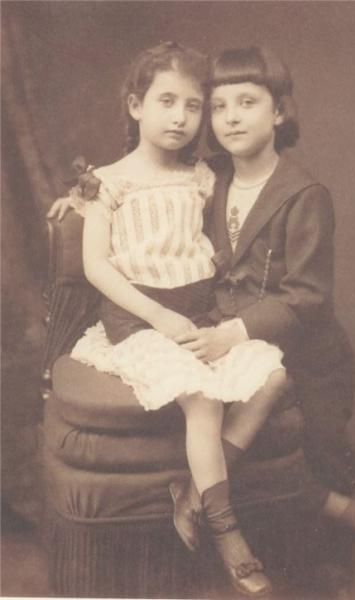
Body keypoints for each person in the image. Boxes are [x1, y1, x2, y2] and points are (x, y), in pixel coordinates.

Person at [49, 41, 299, 597]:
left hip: (199, 315)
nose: (181, 118)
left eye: (193, 106)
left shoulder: (202, 178)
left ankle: (194, 494)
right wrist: (157, 314)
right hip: (138, 320)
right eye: (166, 102)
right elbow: (95, 266)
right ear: (136, 105)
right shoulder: (105, 183)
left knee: (271, 375)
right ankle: (226, 530)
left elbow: (249, 195)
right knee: (203, 400)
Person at [171, 44, 355, 589]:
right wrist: (86, 200)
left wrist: (232, 333)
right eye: (219, 106)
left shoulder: (304, 194)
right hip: (231, 345)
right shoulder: (209, 176)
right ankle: (206, 499)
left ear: (279, 112)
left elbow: (307, 297)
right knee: (242, 456)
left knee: (292, 473)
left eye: (248, 102)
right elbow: (146, 183)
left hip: (303, 357)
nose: (231, 118)